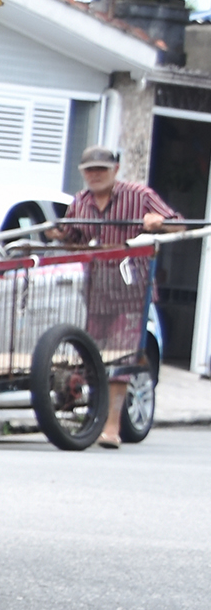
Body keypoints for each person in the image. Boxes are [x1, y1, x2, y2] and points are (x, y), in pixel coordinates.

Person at [59, 147, 175, 449]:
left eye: (102, 169)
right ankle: (93, 421)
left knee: (122, 358)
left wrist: (157, 222)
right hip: (95, 292)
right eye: (89, 170)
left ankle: (112, 427)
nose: (95, 175)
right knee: (95, 358)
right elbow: (68, 236)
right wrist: (55, 235)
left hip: (130, 291)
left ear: (116, 169)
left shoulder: (139, 195)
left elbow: (178, 223)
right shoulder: (80, 203)